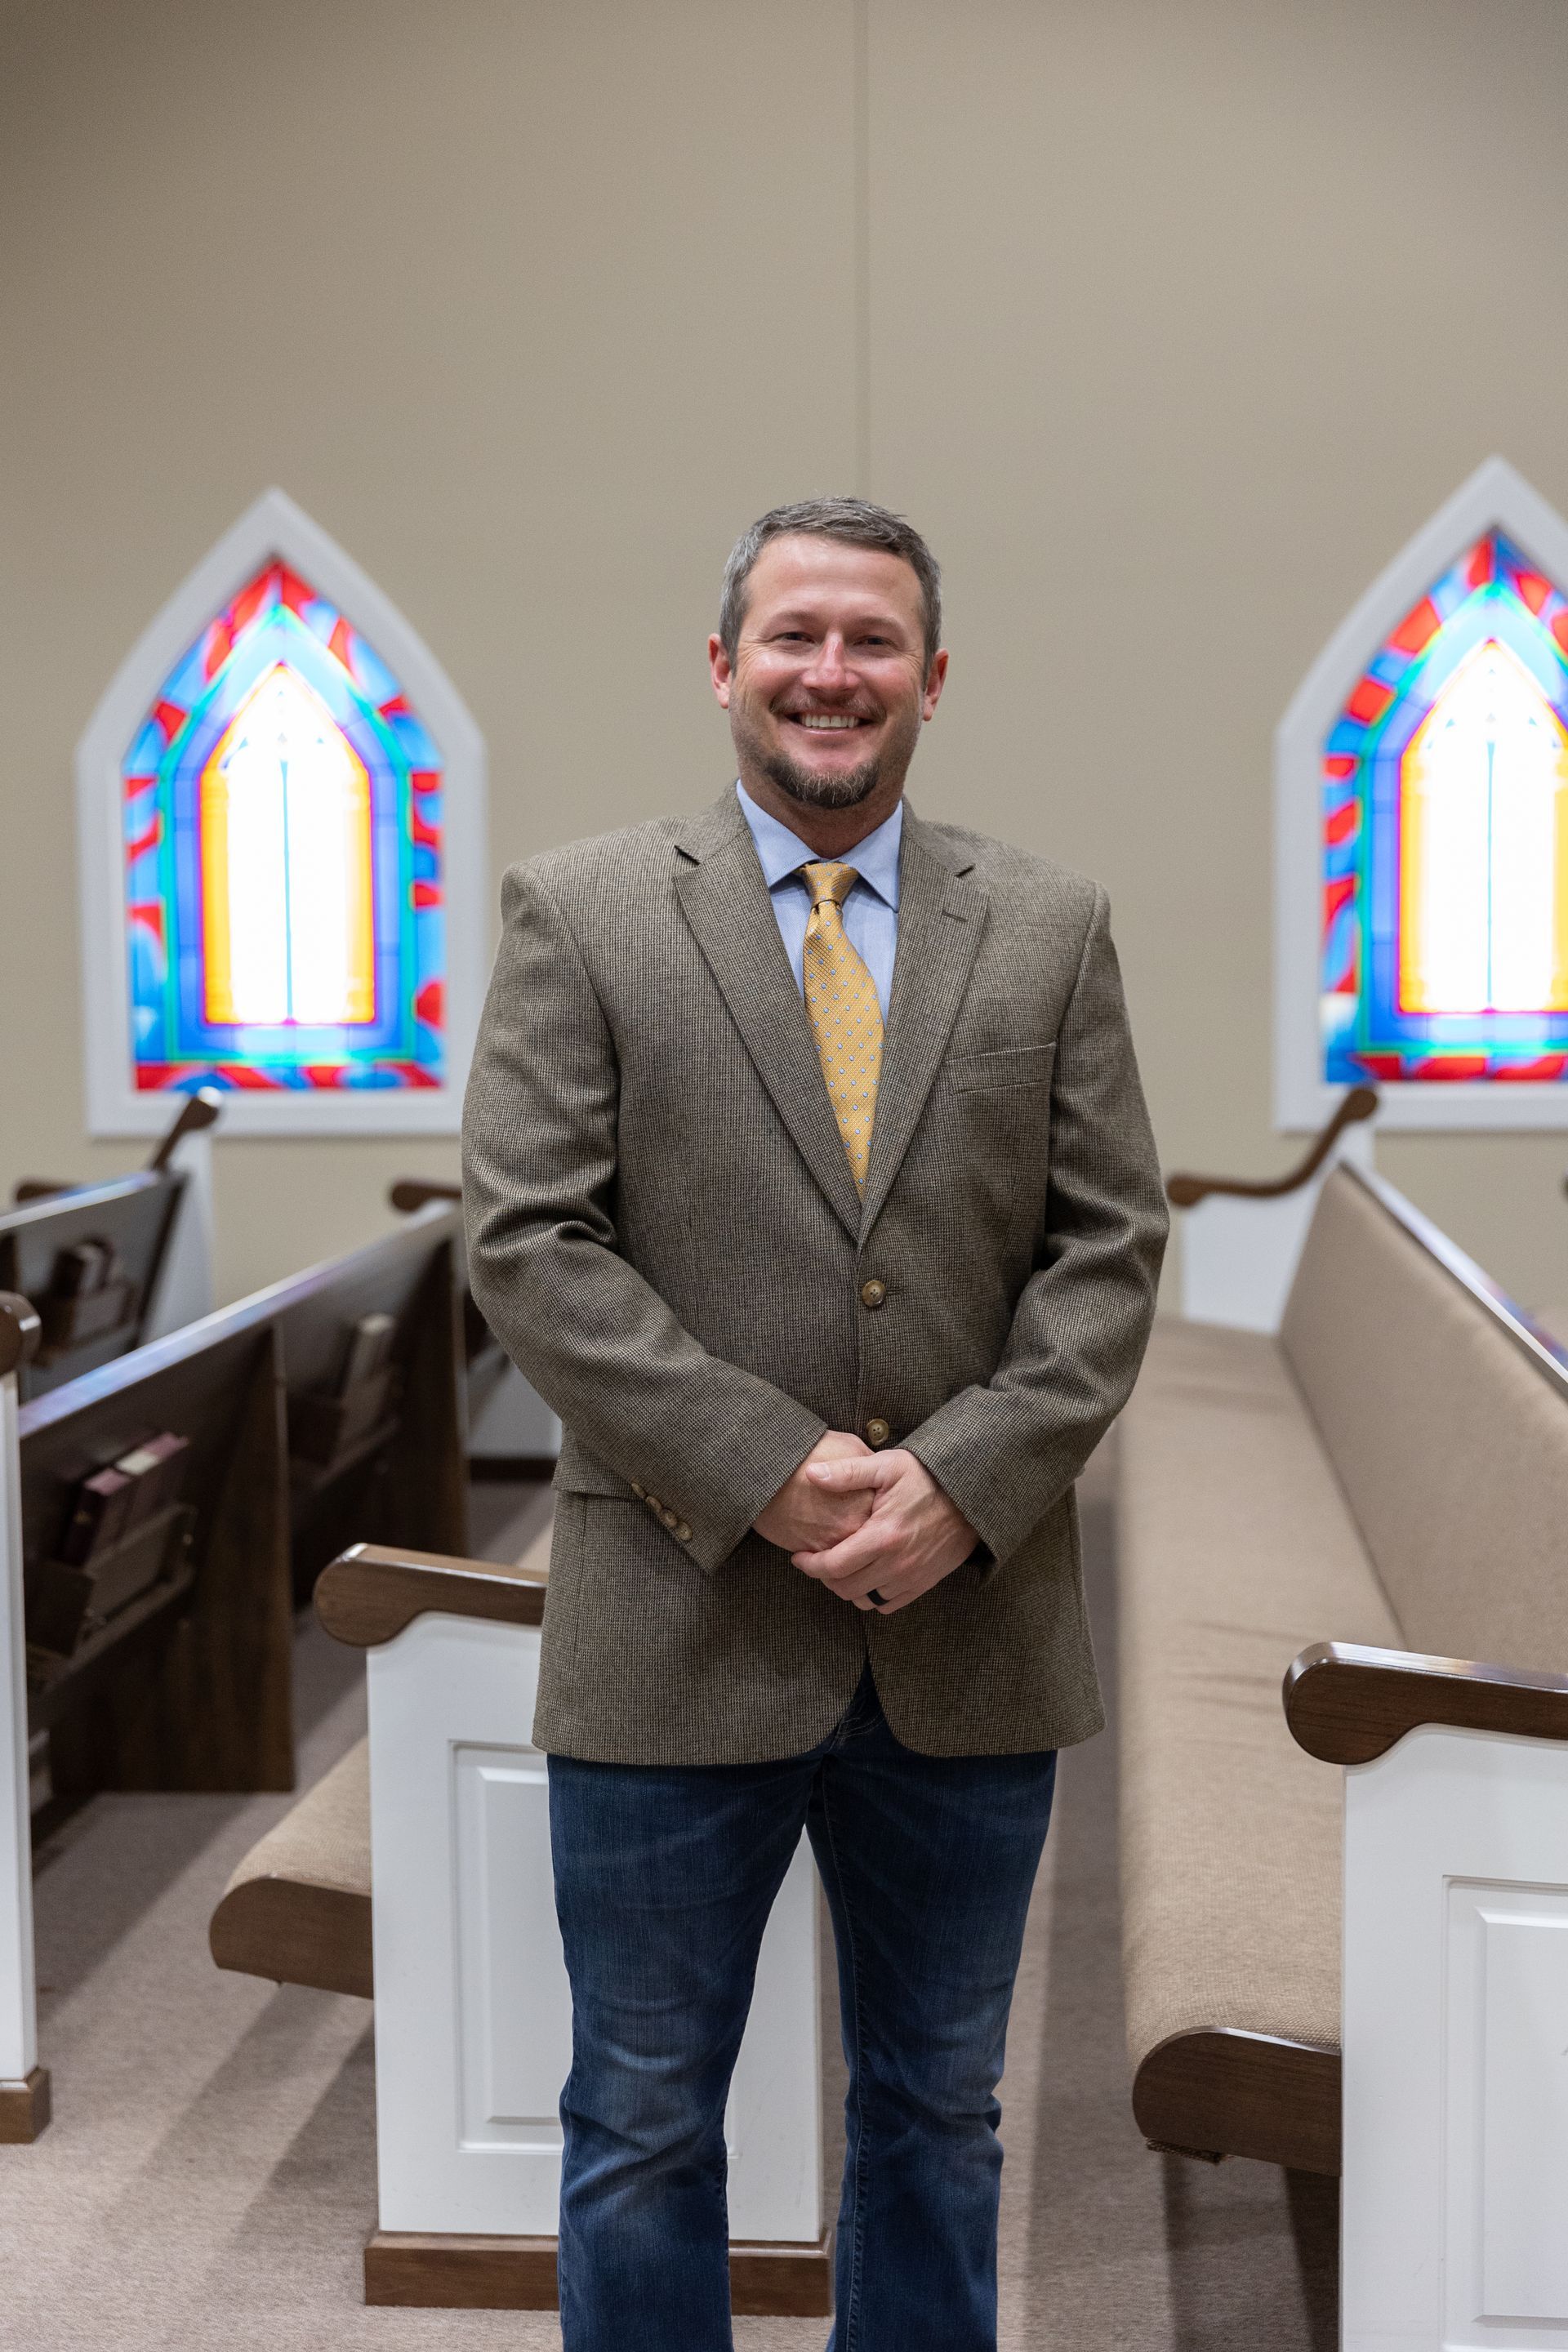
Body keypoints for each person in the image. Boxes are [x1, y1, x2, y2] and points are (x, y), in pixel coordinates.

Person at [461, 497, 1167, 2351]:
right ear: (722, 668)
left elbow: (1109, 1253)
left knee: (939, 2113)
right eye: (794, 637)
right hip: (674, 1620)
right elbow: (530, 1240)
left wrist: (964, 1478)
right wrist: (769, 1468)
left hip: (970, 1625)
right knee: (638, 2121)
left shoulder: (1049, 926)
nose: (830, 674)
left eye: (872, 641)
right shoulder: (585, 910)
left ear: (934, 678)